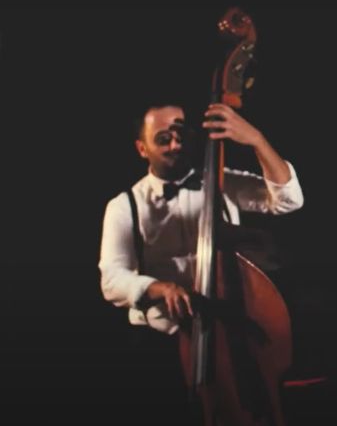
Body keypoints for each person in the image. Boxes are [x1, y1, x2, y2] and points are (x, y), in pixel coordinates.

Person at [98, 102, 304, 423]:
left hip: (228, 335)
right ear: (142, 148)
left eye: (180, 136)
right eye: (163, 139)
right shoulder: (124, 205)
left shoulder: (220, 183)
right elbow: (112, 279)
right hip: (162, 344)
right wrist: (159, 288)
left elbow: (289, 200)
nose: (175, 145)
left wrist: (256, 140)